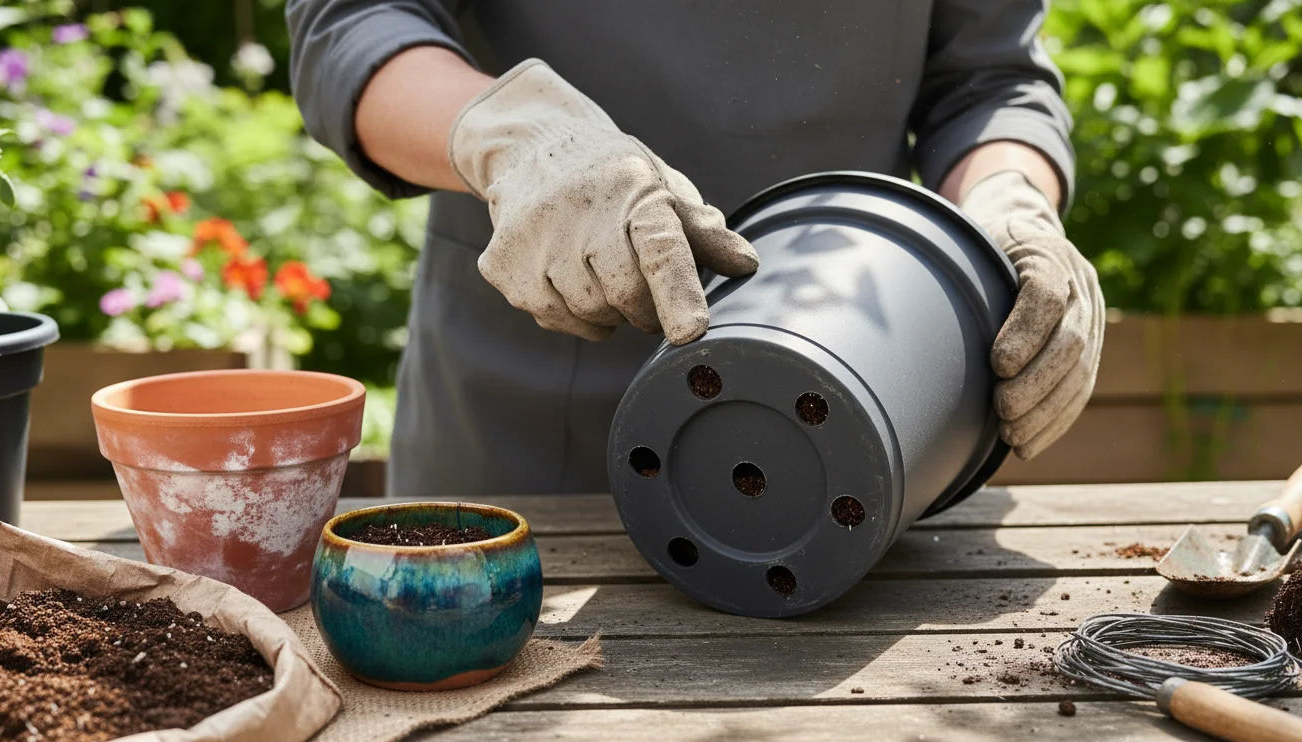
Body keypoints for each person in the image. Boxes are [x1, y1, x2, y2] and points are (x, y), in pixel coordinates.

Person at [286, 0, 1105, 496]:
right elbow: (353, 21)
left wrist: (1009, 201)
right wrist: (515, 141)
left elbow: (990, 79)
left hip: (869, 421)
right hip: (535, 442)